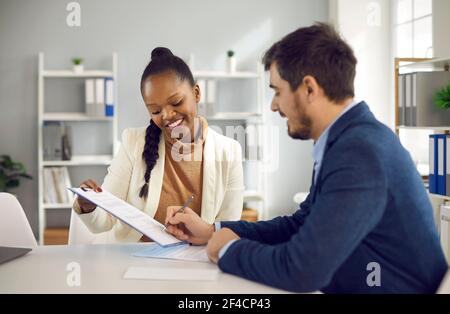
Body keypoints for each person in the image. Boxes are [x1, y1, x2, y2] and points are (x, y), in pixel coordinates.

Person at [165, 23, 448, 293]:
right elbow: (299, 225)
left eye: (277, 91)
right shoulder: (349, 139)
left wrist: (228, 249)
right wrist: (213, 230)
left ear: (309, 89)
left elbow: (301, 269)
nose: (274, 105)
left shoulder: (359, 152)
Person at [72, 47, 244, 243]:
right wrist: (89, 205)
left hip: (192, 263)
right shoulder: (133, 143)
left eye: (177, 102)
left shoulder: (229, 152)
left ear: (196, 93)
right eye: (155, 110)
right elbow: (105, 220)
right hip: (132, 259)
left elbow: (226, 230)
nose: (167, 115)